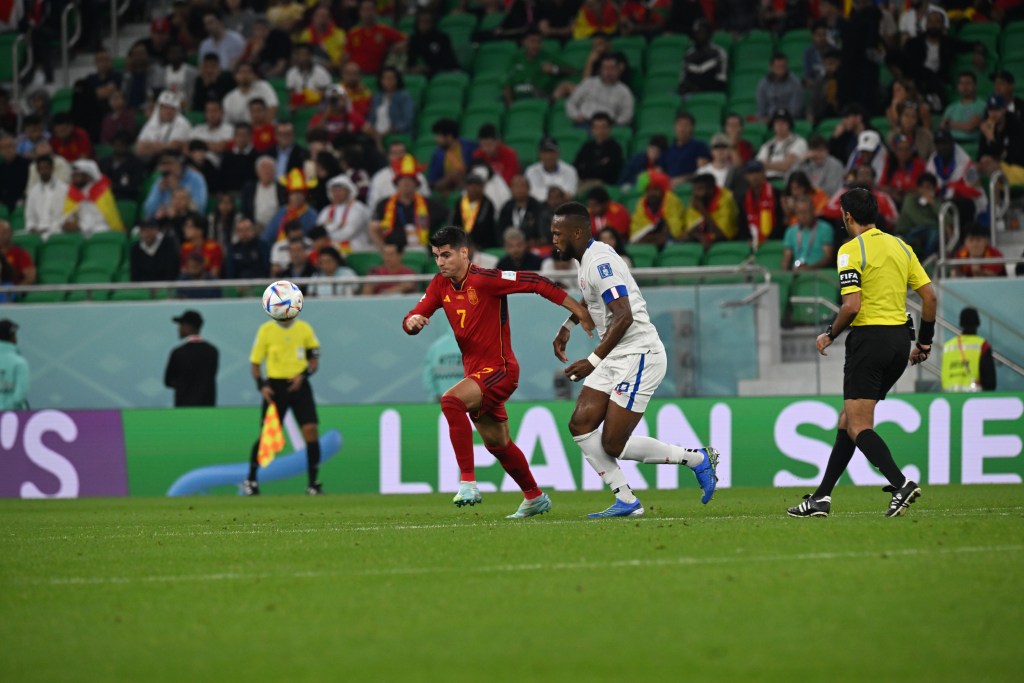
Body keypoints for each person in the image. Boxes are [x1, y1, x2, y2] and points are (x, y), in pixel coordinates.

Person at [403, 226, 595, 517]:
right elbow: (412, 317)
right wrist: (413, 322)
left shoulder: (484, 279)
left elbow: (534, 281)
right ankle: (534, 496)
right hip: (476, 375)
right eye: (436, 256)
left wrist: (579, 312)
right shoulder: (440, 285)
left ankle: (467, 481)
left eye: (446, 255)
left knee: (451, 401)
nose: (440, 262)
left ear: (464, 252)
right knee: (498, 443)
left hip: (500, 370)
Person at [550, 202, 719, 517]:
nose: (553, 240)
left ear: (576, 231)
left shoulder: (600, 261)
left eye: (558, 233)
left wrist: (592, 360)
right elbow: (593, 301)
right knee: (581, 423)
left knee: (614, 443)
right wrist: (567, 326)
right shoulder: (585, 259)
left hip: (639, 354)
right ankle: (625, 499)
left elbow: (624, 315)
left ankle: (696, 459)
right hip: (614, 354)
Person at [787, 188, 937, 519]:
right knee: (848, 420)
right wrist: (924, 343)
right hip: (899, 342)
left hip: (869, 341)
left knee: (857, 424)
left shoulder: (850, 251)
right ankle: (821, 498)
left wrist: (830, 333)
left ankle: (901, 483)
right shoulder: (901, 246)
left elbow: (852, 305)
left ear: (847, 217)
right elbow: (929, 299)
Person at [244, 310, 323, 496]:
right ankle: (251, 480)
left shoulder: (304, 329)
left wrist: (303, 375)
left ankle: (313, 483)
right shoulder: (266, 330)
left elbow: (314, 360)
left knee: (311, 430)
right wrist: (261, 385)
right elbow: (255, 363)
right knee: (266, 436)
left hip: (299, 385)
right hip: (275, 387)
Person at [164, 310, 219, 407]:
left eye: (181, 325)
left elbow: (168, 381)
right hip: (207, 406)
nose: (178, 329)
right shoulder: (212, 351)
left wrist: (182, 384)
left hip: (184, 407)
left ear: (188, 327)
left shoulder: (178, 352)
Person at [565, 54, 635, 127]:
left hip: (608, 126)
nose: (608, 72)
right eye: (605, 68)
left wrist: (616, 123)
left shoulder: (624, 91)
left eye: (611, 68)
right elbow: (571, 103)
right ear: (600, 70)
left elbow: (627, 115)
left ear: (617, 70)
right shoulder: (588, 83)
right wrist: (576, 116)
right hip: (585, 121)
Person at [941, 307, 996, 392]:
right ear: (978, 323)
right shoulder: (982, 345)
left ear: (961, 323)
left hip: (950, 398)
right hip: (973, 400)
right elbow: (990, 383)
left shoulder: (947, 346)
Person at [781, 197, 835, 271]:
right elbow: (786, 258)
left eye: (806, 211)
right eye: (800, 212)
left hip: (819, 274)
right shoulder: (790, 231)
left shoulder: (825, 228)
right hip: (797, 273)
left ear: (813, 210)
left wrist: (809, 269)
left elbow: (828, 257)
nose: (803, 216)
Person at [573, 112, 624, 192]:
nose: (600, 131)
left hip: (604, 185)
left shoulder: (615, 148)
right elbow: (576, 167)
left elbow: (611, 171)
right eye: (596, 127)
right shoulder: (586, 147)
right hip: (584, 182)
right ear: (592, 130)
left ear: (609, 129)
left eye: (603, 127)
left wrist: (589, 169)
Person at [524, 137, 579, 202]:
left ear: (558, 153)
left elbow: (569, 194)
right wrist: (557, 195)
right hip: (538, 208)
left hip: (562, 208)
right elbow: (532, 194)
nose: (548, 156)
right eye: (545, 152)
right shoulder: (531, 171)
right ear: (539, 154)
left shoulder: (570, 170)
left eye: (551, 152)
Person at [756, 53, 804, 121]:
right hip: (769, 120)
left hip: (789, 120)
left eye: (783, 67)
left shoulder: (795, 83)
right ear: (771, 67)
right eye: (778, 67)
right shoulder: (763, 84)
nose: (781, 70)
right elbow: (761, 107)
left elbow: (795, 109)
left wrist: (780, 120)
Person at [0, 319, 29, 410]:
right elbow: (20, 394)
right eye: (15, 334)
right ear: (12, 337)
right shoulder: (19, 362)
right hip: (14, 416)